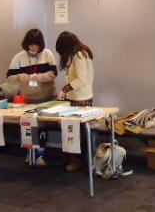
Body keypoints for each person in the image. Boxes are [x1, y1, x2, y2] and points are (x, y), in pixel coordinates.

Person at [6, 28, 57, 165]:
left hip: (45, 98)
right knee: (28, 126)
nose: (33, 47)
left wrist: (42, 77)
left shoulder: (47, 54)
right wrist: (19, 77)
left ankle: (40, 154)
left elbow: (53, 73)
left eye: (36, 44)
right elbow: (9, 77)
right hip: (27, 99)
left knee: (42, 126)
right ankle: (30, 153)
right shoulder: (19, 57)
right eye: (30, 44)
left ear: (41, 44)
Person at [55, 31, 94, 171]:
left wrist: (64, 90)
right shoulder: (81, 53)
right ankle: (73, 159)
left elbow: (81, 80)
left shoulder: (79, 55)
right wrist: (66, 93)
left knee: (75, 132)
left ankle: (77, 161)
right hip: (79, 98)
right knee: (75, 131)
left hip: (80, 100)